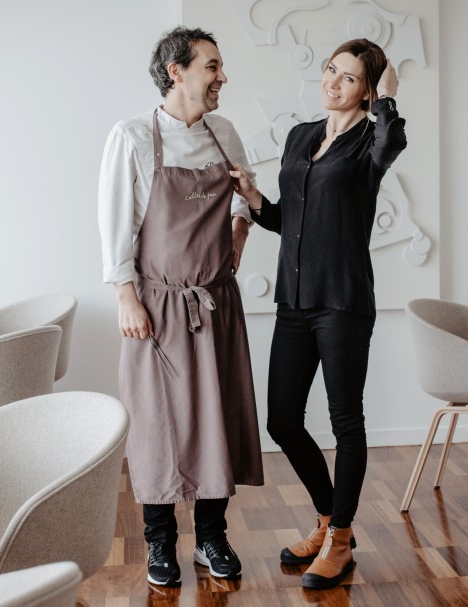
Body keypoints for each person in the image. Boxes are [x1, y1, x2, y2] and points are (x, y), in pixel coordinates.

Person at [229, 38, 406, 590]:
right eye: (331, 70)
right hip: (294, 301)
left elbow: (393, 140)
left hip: (343, 303)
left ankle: (342, 539)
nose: (332, 82)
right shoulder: (301, 135)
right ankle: (330, 522)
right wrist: (255, 198)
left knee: (345, 421)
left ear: (368, 90)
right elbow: (290, 220)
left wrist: (389, 100)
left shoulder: (372, 142)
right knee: (281, 419)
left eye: (349, 77)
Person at [97, 26, 264, 588]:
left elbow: (247, 195)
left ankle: (211, 538)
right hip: (159, 305)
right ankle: (160, 543)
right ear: (177, 72)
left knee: (215, 420)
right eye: (212, 66)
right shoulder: (133, 137)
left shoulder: (224, 133)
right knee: (159, 426)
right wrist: (126, 296)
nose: (222, 77)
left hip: (216, 301)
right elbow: (115, 224)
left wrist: (239, 236)